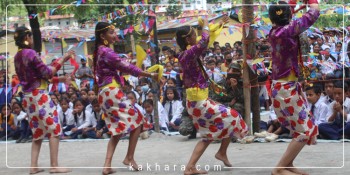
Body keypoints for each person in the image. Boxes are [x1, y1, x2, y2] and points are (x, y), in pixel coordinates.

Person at [176, 15, 248, 175]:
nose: (197, 36)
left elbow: (205, 39)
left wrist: (217, 25)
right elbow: (205, 39)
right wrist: (206, 24)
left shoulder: (186, 53)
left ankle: (191, 167)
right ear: (188, 39)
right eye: (194, 34)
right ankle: (221, 152)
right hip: (198, 102)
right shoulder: (189, 53)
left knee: (209, 134)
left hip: (197, 100)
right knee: (234, 116)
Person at [93, 22, 158, 174]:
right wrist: (149, 74)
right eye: (111, 33)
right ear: (102, 36)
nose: (114, 35)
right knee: (139, 119)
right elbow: (127, 67)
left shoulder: (99, 51)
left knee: (117, 129)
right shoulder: (107, 52)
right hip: (111, 91)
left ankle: (107, 166)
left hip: (104, 93)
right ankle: (129, 157)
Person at [13, 26, 75, 174]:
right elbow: (47, 73)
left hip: (28, 97)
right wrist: (64, 58)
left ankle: (33, 166)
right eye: (31, 37)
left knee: (37, 132)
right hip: (39, 96)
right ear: (27, 37)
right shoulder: (31, 53)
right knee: (54, 129)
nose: (33, 39)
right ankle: (54, 165)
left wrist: (58, 79)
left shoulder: (18, 56)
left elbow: (36, 76)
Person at [268, 1, 320, 175]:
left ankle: (288, 164)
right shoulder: (285, 32)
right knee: (304, 130)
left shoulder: (278, 31)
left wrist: (291, 4)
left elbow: (289, 18)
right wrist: (312, 2)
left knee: (304, 126)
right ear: (287, 17)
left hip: (286, 87)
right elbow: (314, 13)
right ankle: (279, 168)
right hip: (285, 89)